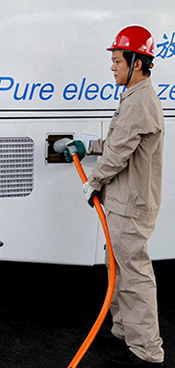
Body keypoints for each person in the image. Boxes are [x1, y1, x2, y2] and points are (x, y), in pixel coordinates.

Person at [64, 25, 164, 367]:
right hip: (123, 202)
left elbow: (119, 153)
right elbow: (116, 143)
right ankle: (124, 330)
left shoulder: (139, 102)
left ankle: (147, 352)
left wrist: (93, 181)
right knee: (117, 269)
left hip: (131, 205)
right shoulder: (133, 98)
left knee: (134, 276)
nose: (112, 66)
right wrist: (89, 146)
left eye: (117, 60)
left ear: (137, 63)